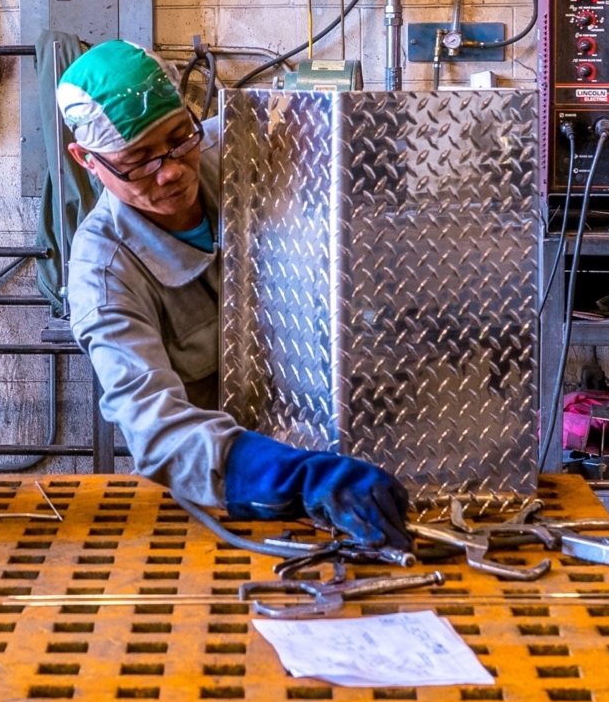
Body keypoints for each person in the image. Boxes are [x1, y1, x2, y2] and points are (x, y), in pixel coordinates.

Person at [58, 39, 411, 548]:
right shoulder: (104, 273)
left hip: (348, 448)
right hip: (233, 490)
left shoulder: (242, 147)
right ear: (88, 161)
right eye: (139, 161)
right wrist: (300, 477)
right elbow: (157, 432)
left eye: (179, 138)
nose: (173, 169)